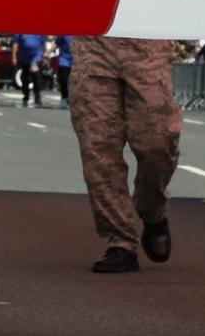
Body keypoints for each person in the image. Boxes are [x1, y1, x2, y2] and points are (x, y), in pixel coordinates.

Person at [70, 36, 182, 272]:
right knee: (98, 150)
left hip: (147, 42)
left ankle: (152, 210)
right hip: (93, 44)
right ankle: (120, 240)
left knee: (158, 141)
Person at [15, 33, 45, 108]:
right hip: (24, 58)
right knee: (25, 78)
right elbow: (15, 44)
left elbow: (43, 43)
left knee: (36, 76)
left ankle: (37, 97)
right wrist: (14, 57)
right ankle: (26, 96)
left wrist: (44, 55)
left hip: (35, 58)